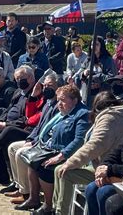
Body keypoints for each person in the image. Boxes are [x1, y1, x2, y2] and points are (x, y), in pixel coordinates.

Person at [53, 91, 123, 215]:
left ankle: (61, 212)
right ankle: (55, 208)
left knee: (65, 173)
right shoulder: (118, 116)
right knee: (59, 169)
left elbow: (95, 145)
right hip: (103, 165)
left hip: (109, 170)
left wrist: (71, 162)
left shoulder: (110, 118)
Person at [14, 85, 90, 214]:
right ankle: (34, 199)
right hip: (50, 148)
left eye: (63, 100)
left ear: (75, 100)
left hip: (67, 153)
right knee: (32, 161)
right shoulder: (64, 113)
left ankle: (49, 206)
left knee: (45, 167)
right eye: (59, 100)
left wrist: (61, 155)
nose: (59, 104)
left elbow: (79, 140)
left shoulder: (81, 114)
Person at [85, 99, 123, 215]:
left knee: (104, 193)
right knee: (91, 188)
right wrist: (102, 167)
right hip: (119, 178)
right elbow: (114, 153)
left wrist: (109, 170)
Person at [5, 75, 60, 205]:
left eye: (50, 85)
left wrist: (34, 142)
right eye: (45, 85)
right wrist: (31, 139)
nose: (46, 88)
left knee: (21, 153)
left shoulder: (58, 105)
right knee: (12, 147)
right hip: (35, 138)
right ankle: (20, 187)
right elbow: (39, 126)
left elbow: (48, 131)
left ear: (58, 86)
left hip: (44, 143)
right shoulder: (48, 102)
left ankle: (27, 193)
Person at [75, 36, 117, 107]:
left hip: (102, 96)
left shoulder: (108, 60)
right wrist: (84, 73)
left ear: (101, 46)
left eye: (97, 44)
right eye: (92, 44)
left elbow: (112, 78)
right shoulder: (88, 60)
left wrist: (97, 76)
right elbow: (80, 74)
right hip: (88, 95)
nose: (94, 46)